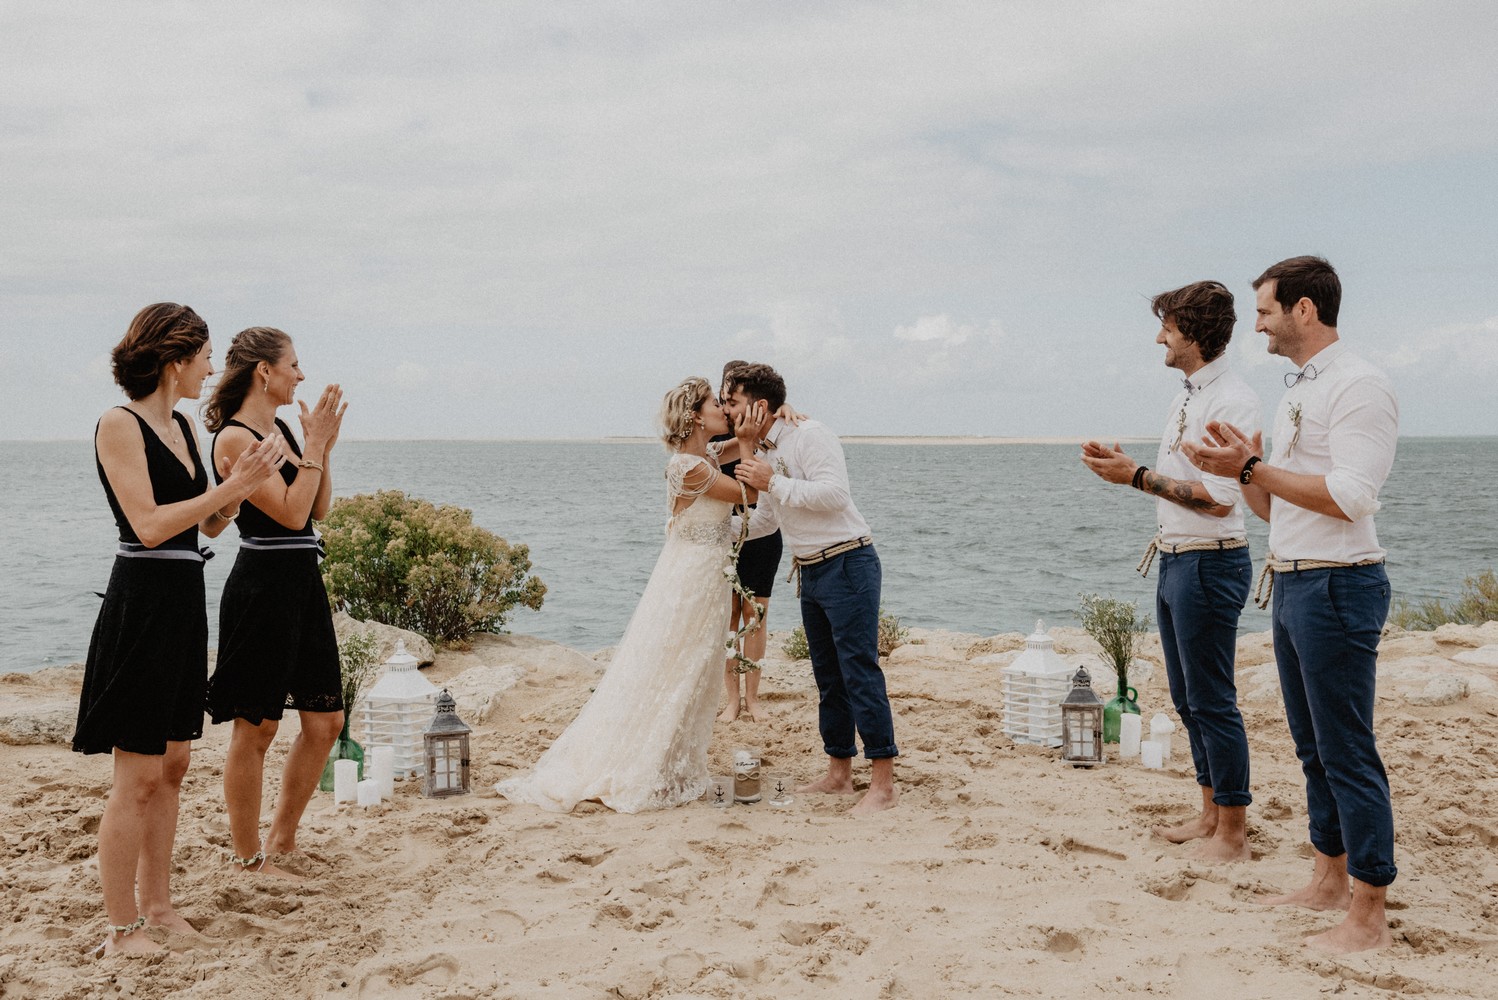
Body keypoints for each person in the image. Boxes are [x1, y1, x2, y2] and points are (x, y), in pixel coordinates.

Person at [1183, 256, 1399, 954]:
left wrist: (1249, 465)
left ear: (1305, 310)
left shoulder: (1360, 385)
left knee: (1347, 750)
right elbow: (1273, 506)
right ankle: (1328, 878)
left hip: (1340, 584)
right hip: (1294, 578)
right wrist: (1245, 467)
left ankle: (1369, 913)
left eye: (1268, 311)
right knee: (1313, 749)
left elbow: (1351, 497)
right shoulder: (1298, 389)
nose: (1260, 325)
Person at [74, 303, 283, 956]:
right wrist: (231, 487)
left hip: (185, 601)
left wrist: (240, 489)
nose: (212, 369)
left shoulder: (189, 430)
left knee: (173, 765)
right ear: (174, 362)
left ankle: (160, 909)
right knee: (134, 776)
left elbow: (207, 526)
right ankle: (121, 928)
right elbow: (149, 524)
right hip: (141, 604)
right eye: (203, 357)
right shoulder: (119, 424)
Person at [497, 377, 762, 813]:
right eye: (717, 403)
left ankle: (672, 762)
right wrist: (749, 445)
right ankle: (644, 763)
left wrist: (774, 418)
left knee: (694, 669)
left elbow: (745, 438)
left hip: (707, 575)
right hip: (690, 578)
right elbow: (748, 494)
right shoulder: (689, 467)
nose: (725, 410)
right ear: (696, 415)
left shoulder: (707, 454)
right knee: (678, 666)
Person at [1081, 280, 1260, 862]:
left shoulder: (1231, 400)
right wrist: (1126, 469)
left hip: (1210, 565)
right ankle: (1210, 813)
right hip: (1178, 560)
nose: (1160, 336)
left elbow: (1220, 499)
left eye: (1169, 327)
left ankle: (1232, 832)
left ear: (1196, 334)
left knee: (1212, 699)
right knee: (1187, 698)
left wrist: (1134, 477)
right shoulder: (1191, 393)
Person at [203, 327, 347, 877]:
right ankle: (247, 855)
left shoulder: (284, 428)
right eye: (294, 364)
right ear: (264, 371)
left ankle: (283, 837)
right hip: (262, 585)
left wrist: (322, 449)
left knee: (326, 722)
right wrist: (313, 448)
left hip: (302, 581)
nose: (301, 375)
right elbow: (287, 514)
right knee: (257, 727)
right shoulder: (235, 440)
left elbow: (317, 510)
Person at [727, 364, 898, 815]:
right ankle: (839, 775)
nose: (728, 411)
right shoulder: (765, 447)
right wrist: (708, 532)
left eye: (734, 402)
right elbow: (766, 519)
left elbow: (834, 495)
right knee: (828, 679)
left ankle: (883, 785)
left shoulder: (810, 434)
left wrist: (772, 481)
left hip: (849, 563)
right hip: (810, 572)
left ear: (759, 406)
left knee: (860, 673)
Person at [715, 360, 785, 724]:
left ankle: (754, 697)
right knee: (728, 615)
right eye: (725, 394)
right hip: (724, 533)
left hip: (764, 531)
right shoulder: (716, 427)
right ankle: (732, 699)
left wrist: (783, 409)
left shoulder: (765, 426)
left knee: (756, 615)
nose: (728, 401)